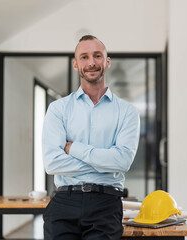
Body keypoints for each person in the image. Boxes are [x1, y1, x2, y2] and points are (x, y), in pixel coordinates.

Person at [42, 35, 140, 240]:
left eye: (97, 56)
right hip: (64, 203)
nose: (92, 62)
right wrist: (106, 161)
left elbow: (122, 161)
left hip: (106, 203)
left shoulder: (127, 112)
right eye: (84, 57)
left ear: (107, 61)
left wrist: (73, 148)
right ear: (76, 64)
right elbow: (52, 163)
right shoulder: (58, 109)